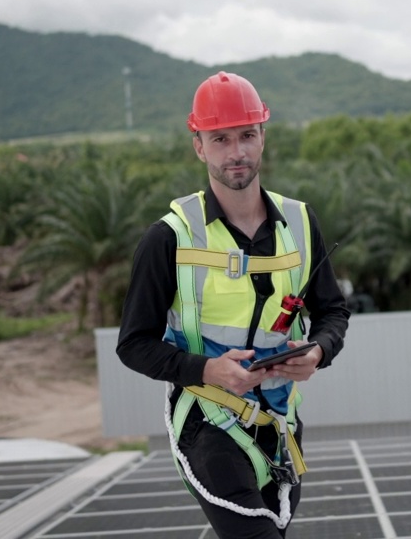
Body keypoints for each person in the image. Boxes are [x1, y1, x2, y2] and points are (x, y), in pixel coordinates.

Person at [117, 71, 350, 538]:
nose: (237, 152)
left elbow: (333, 312)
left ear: (263, 136)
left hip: (281, 426)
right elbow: (134, 344)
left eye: (247, 135)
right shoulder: (170, 237)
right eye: (220, 139)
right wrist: (209, 370)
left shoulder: (300, 223)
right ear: (199, 146)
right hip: (208, 426)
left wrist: (318, 351)